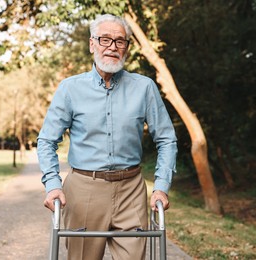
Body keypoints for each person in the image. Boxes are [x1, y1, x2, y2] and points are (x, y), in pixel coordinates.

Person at [37, 14, 177, 260]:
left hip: (131, 189)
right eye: (105, 40)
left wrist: (161, 187)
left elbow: (166, 138)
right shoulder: (70, 89)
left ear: (127, 48)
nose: (112, 47)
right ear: (92, 44)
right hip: (84, 189)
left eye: (120, 41)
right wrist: (52, 185)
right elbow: (47, 140)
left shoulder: (144, 87)